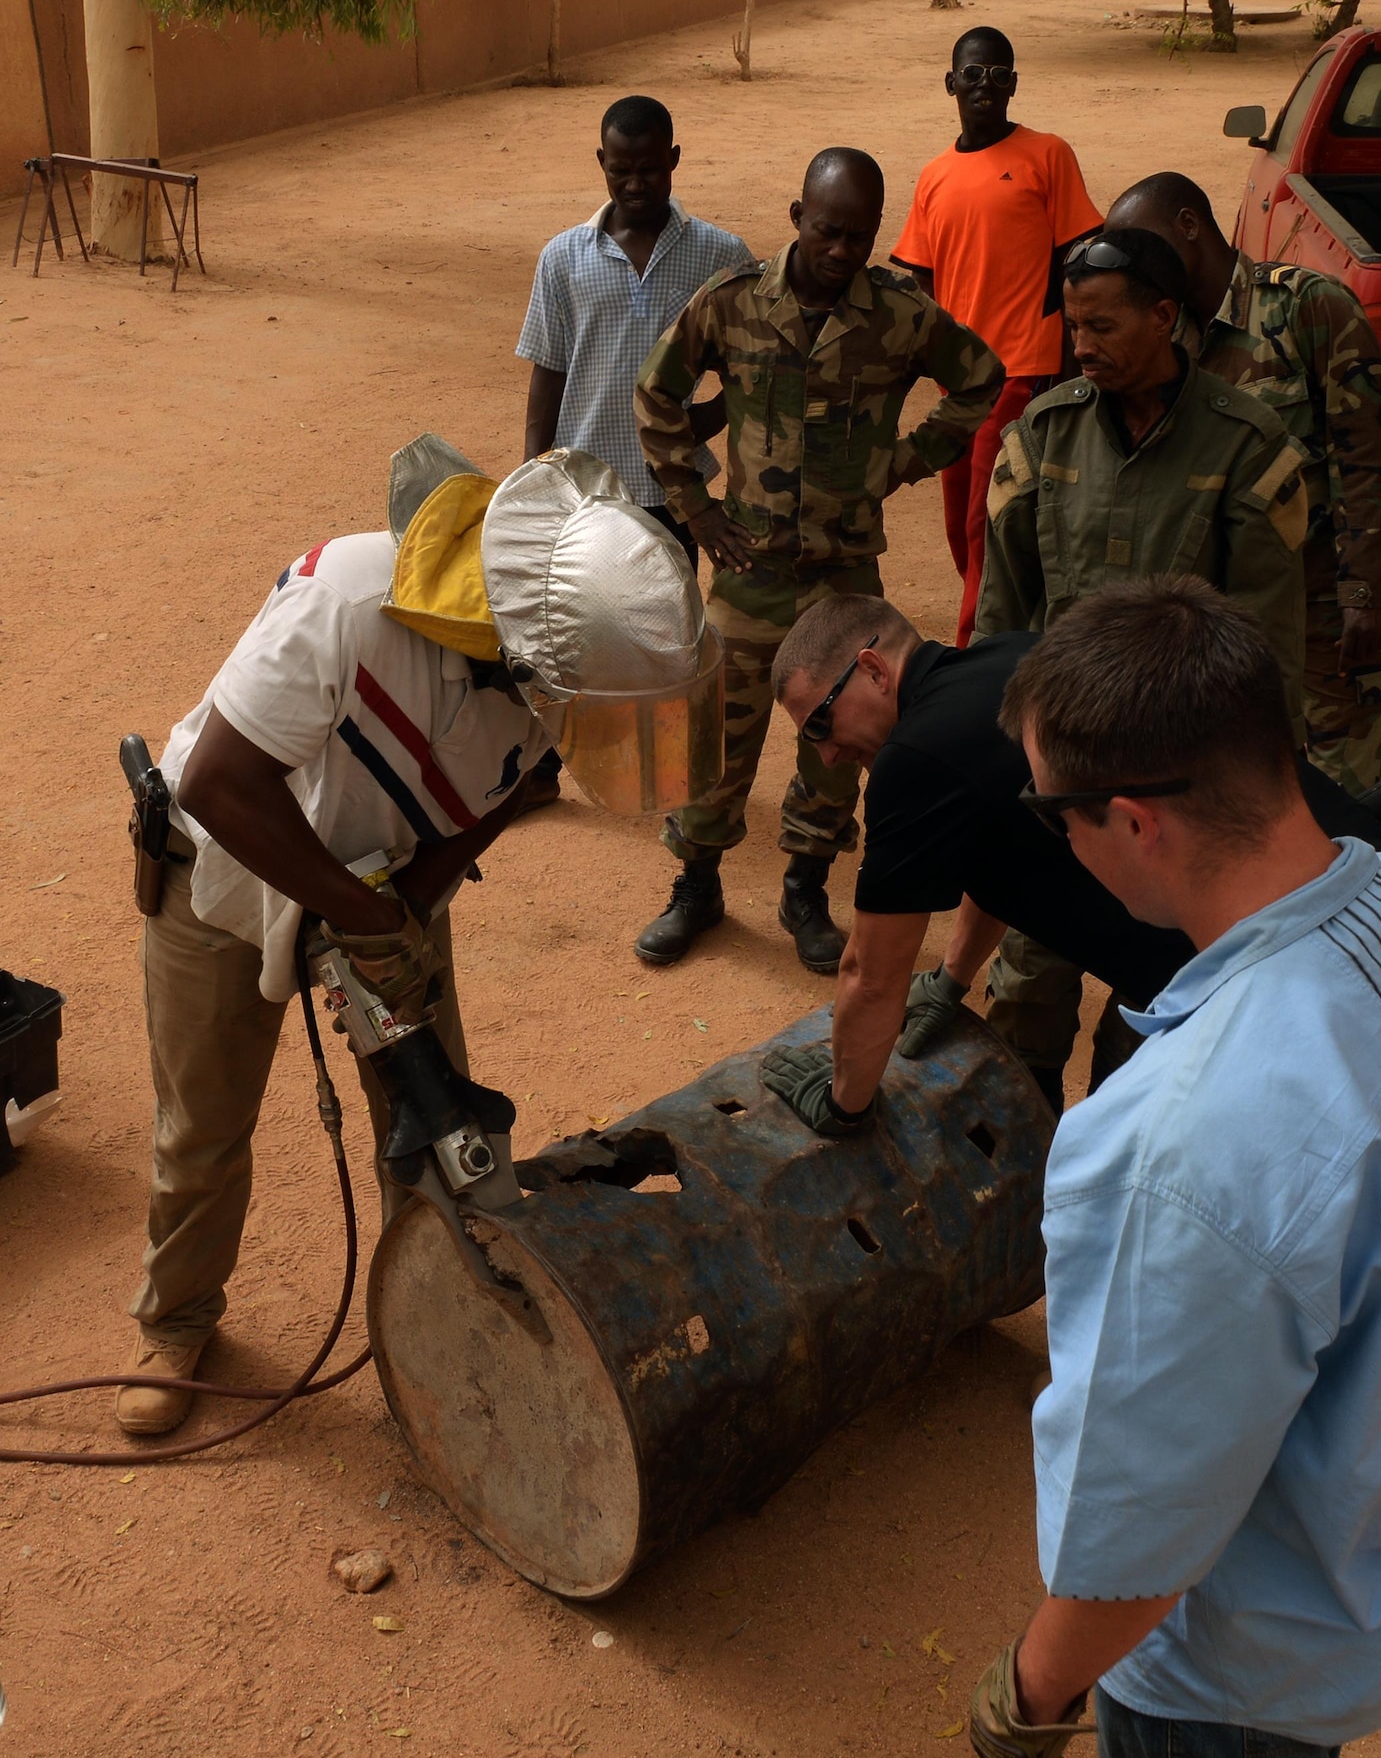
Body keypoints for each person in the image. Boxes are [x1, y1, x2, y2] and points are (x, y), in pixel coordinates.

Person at [964, 576, 1381, 1758]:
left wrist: (1030, 1693)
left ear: (1134, 820)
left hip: (1238, 1675)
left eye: (1058, 812)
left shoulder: (1174, 1149)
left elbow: (1141, 1531)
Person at [117, 440, 715, 1435]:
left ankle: (436, 1330)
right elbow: (220, 782)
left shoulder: (548, 674)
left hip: (384, 890)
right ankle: (175, 1320)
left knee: (443, 1132)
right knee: (203, 1127)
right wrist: (366, 917)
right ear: (524, 635)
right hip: (221, 874)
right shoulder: (349, 602)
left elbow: (513, 788)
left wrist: (409, 909)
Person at [754, 592, 1381, 1135]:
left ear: (871, 668)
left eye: (819, 725)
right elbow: (989, 847)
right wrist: (953, 977)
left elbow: (870, 973)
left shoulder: (916, 759)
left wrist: (844, 1104)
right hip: (1367, 888)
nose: (828, 755)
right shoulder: (1011, 656)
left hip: (1283, 972)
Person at [630, 146, 1004, 974]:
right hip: (748, 571)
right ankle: (697, 885)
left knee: (838, 742)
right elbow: (656, 393)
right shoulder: (730, 305)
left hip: (843, 579)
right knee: (715, 737)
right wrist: (696, 507)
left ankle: (805, 888)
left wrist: (904, 461)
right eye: (829, 230)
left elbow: (981, 378)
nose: (842, 250)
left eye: (860, 236)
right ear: (798, 217)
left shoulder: (899, 315)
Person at [973, 227, 1311, 1103]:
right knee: (1023, 1012)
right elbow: (1001, 622)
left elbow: (1269, 653)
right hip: (1059, 796)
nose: (1081, 346)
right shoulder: (1042, 437)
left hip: (1178, 809)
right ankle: (1028, 1202)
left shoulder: (1246, 445)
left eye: (1103, 326)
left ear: (1166, 316)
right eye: (1071, 326)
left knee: (1161, 1027)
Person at [1104, 171, 1381, 790]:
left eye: (1145, 249)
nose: (1138, 272)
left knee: (1344, 799)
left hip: (1323, 609)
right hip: (1228, 623)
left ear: (1190, 226)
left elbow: (1367, 457)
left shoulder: (1306, 307)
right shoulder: (1167, 342)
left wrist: (1366, 596)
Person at [515, 94, 752, 804]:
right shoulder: (564, 258)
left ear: (674, 160)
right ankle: (544, 769)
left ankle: (673, 772)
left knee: (671, 637)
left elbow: (748, 372)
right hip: (586, 491)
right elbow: (548, 372)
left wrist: (693, 426)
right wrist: (534, 475)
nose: (637, 183)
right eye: (622, 170)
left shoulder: (719, 254)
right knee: (568, 635)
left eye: (651, 168)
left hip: (675, 491)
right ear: (602, 164)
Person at [891, 26, 1101, 644]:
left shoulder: (1048, 155)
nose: (988, 86)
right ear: (951, 83)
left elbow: (1074, 258)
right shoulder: (933, 176)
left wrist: (1065, 365)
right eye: (975, 74)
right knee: (960, 518)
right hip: (960, 383)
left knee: (991, 514)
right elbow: (924, 277)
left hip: (1019, 372)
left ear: (1015, 83)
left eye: (1001, 74)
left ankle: (973, 646)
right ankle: (998, 620)